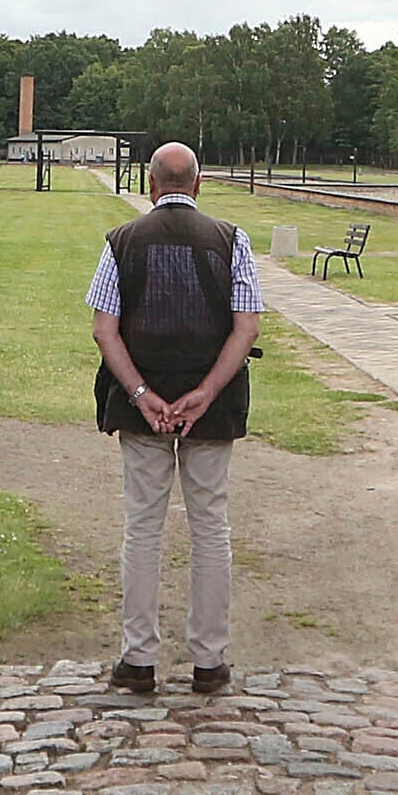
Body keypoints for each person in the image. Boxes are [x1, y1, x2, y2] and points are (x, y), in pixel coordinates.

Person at [86, 140, 261, 696]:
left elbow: (104, 329)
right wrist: (207, 393)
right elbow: (246, 328)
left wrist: (140, 393)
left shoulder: (121, 242)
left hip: (143, 407)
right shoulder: (232, 241)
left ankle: (138, 659)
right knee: (211, 528)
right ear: (198, 185)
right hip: (211, 407)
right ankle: (209, 661)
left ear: (151, 185)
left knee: (143, 527)